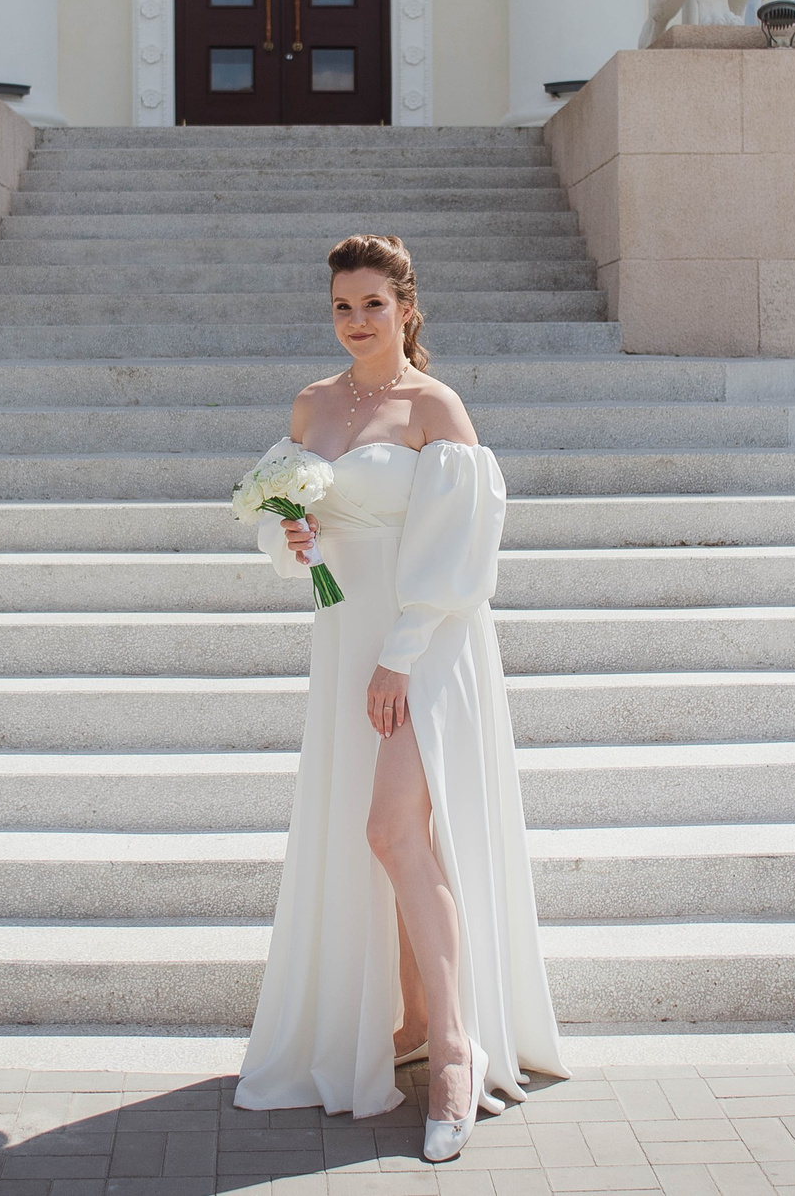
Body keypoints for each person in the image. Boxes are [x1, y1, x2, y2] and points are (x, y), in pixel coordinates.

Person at [232, 233, 563, 1162]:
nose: (356, 322)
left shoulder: (435, 407)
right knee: (384, 836)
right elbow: (274, 511)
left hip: (427, 646)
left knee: (393, 830)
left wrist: (402, 656)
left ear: (407, 309)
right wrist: (288, 540)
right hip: (347, 641)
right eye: (342, 305)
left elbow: (464, 552)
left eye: (374, 304)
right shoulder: (313, 405)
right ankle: (415, 1019)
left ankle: (457, 1050)